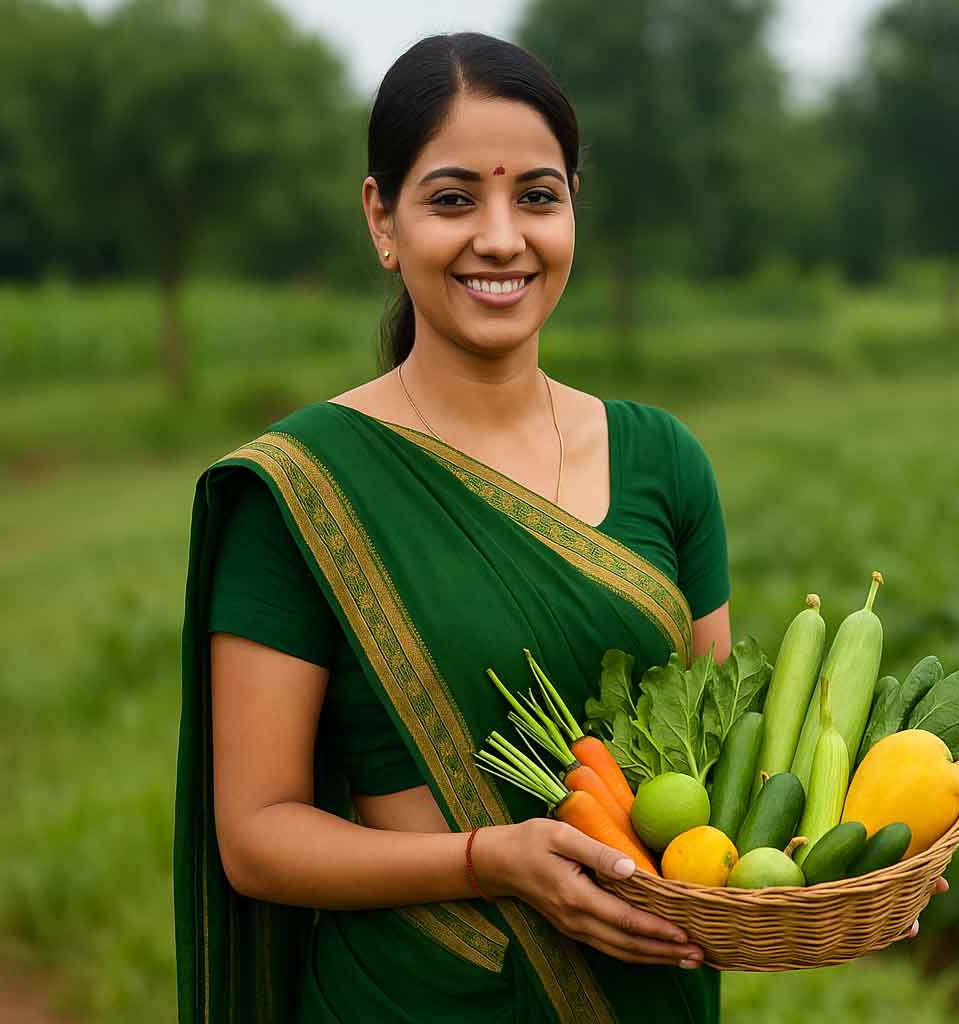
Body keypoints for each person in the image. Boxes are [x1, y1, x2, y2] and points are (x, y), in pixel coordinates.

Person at [172, 31, 731, 1024]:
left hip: (650, 992)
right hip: (417, 996)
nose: (502, 238)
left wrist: (850, 859)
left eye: (538, 197)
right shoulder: (304, 488)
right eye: (453, 199)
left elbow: (723, 758)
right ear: (382, 220)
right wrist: (489, 859)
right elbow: (256, 836)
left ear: (573, 211)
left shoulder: (664, 460)